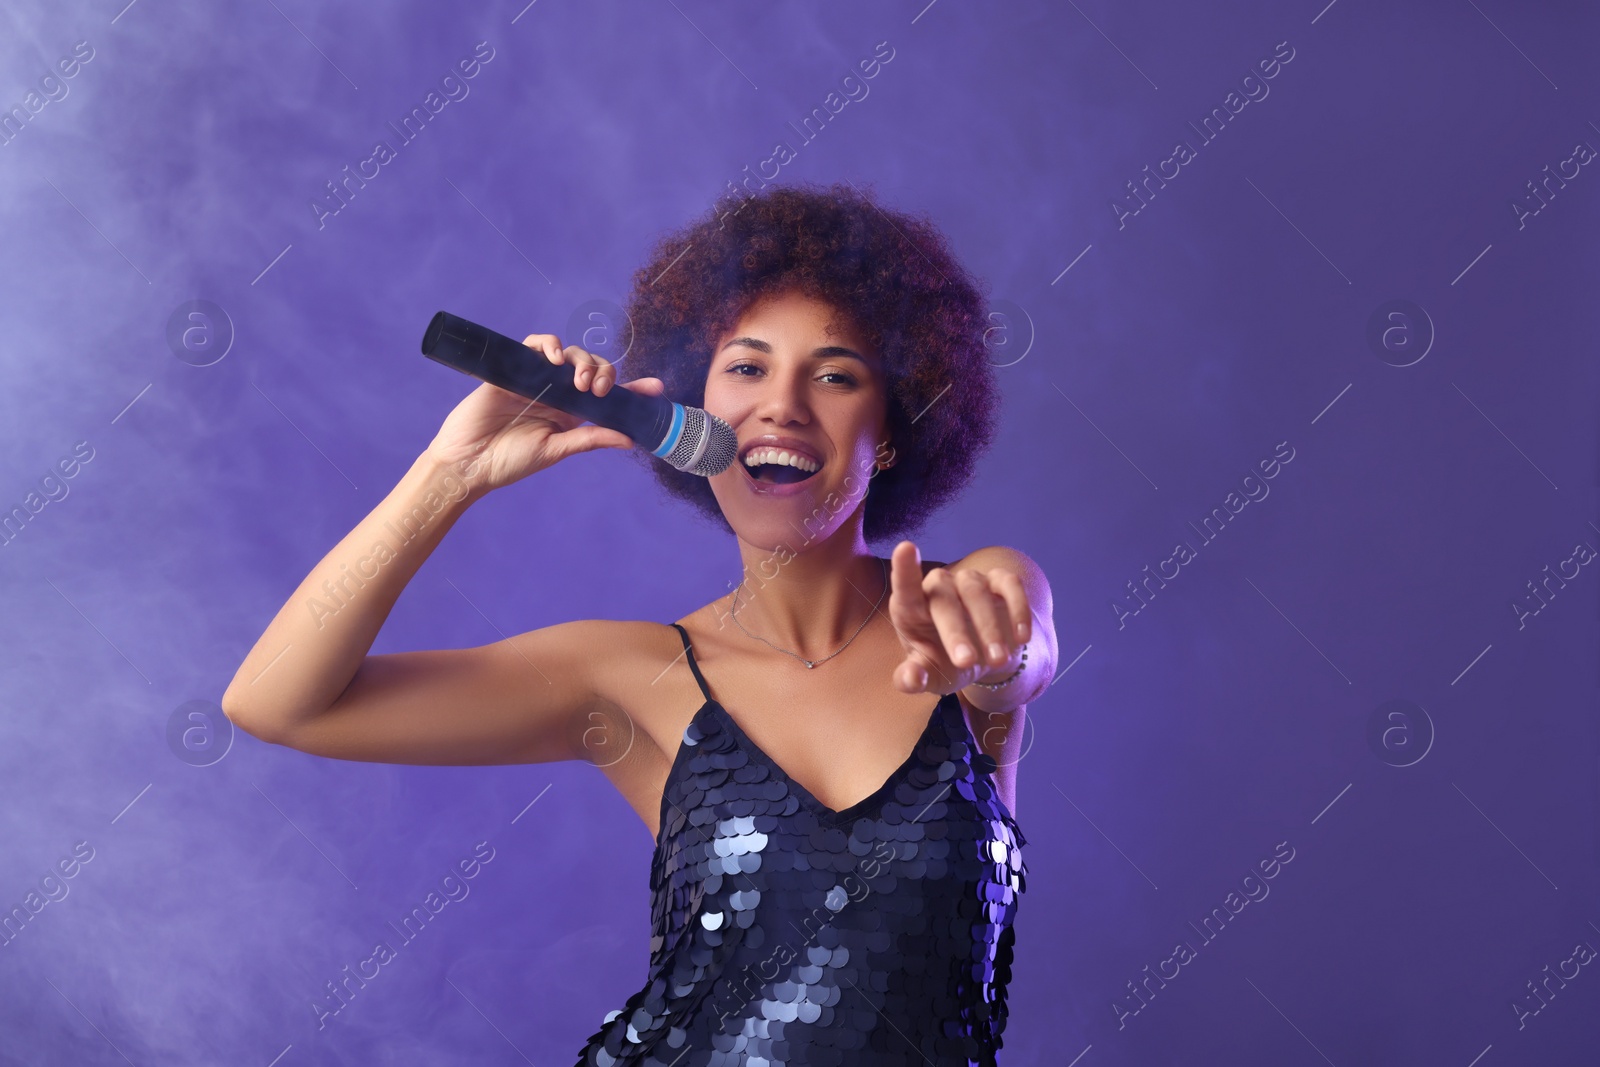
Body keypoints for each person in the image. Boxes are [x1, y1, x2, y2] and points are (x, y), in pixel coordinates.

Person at [222, 181, 1057, 1064]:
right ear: (695, 418)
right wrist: (449, 473)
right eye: (746, 367)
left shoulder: (970, 603)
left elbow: (1014, 653)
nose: (783, 404)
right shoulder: (627, 677)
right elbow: (277, 702)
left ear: (888, 430)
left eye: (836, 374)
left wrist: (1004, 666)